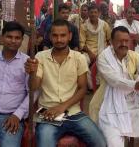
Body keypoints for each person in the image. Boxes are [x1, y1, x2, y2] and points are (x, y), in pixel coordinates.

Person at [25, 19, 107, 147]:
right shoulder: (40, 57)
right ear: (50, 37)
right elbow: (33, 86)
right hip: (47, 114)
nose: (59, 39)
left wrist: (62, 107)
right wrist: (32, 73)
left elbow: (82, 89)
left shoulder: (78, 58)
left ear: (70, 36)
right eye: (55, 35)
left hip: (73, 113)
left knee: (101, 143)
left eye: (63, 35)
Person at [80, 4, 111, 88]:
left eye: (95, 12)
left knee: (108, 60)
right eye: (91, 12)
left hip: (103, 49)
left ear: (99, 13)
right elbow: (82, 44)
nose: (93, 14)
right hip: (89, 51)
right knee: (82, 60)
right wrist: (90, 53)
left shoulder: (104, 25)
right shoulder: (84, 26)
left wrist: (107, 50)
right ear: (88, 14)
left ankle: (104, 84)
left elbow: (110, 40)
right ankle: (92, 85)